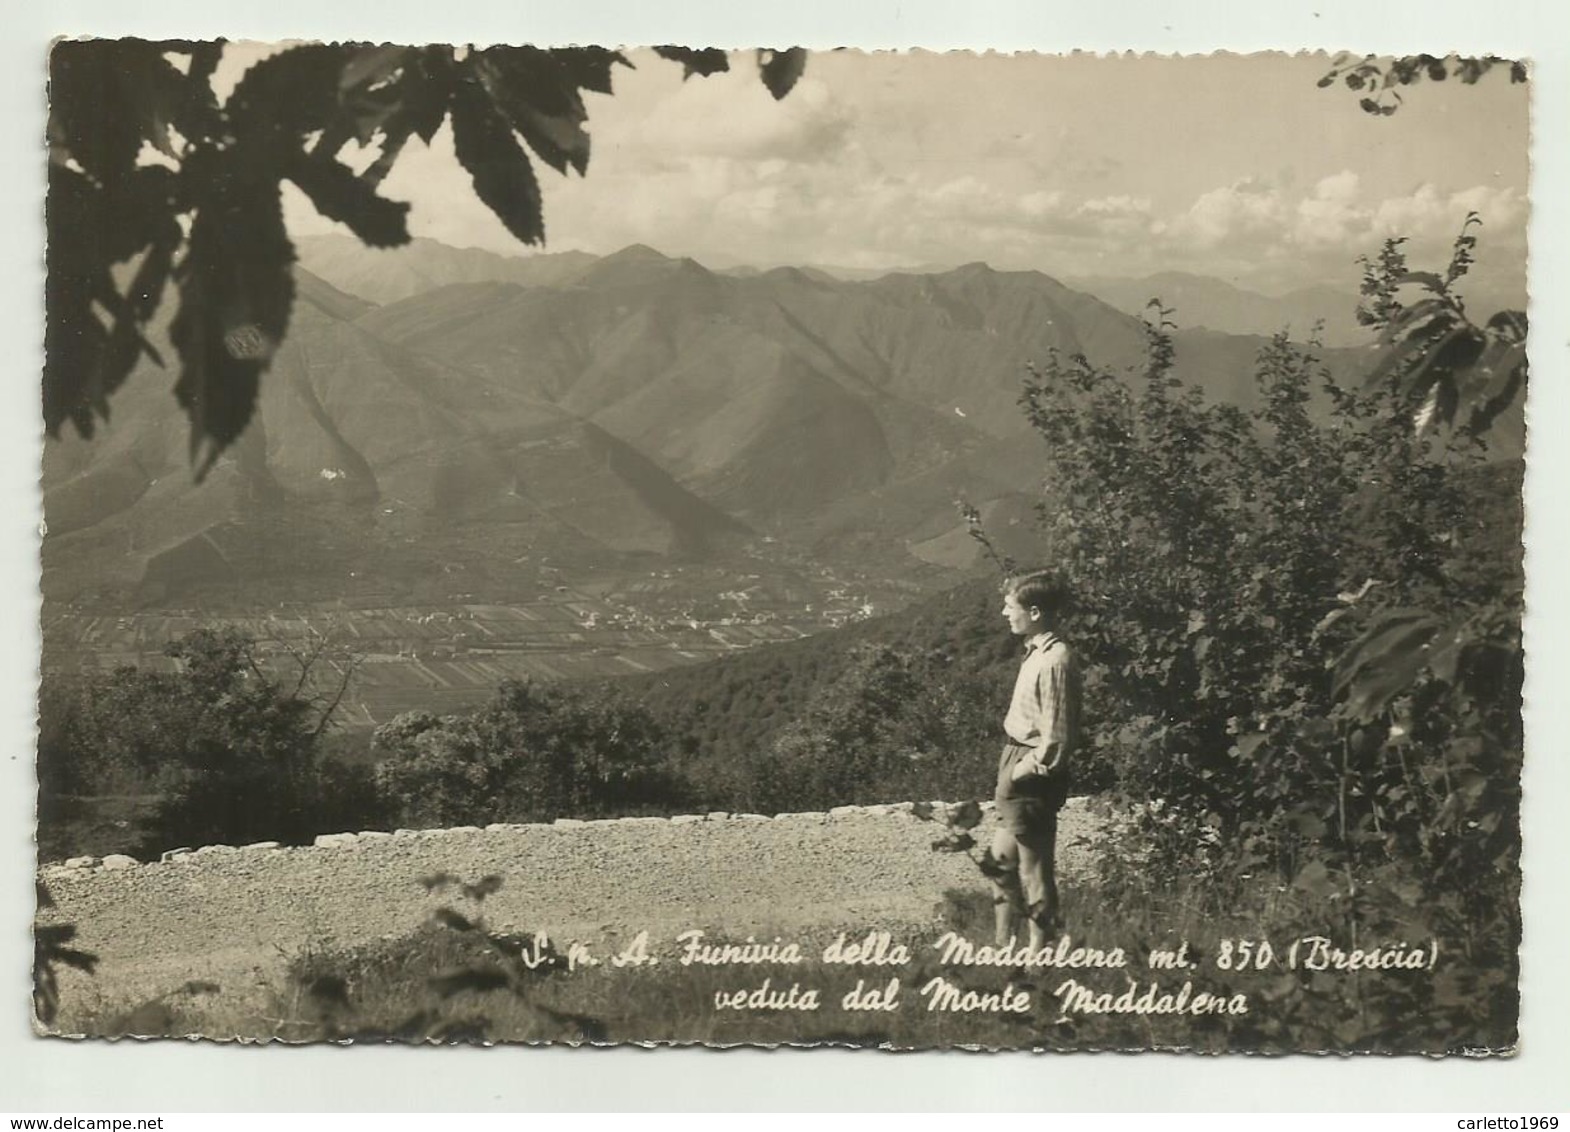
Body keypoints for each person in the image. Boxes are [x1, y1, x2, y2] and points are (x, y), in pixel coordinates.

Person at [985, 569, 1081, 949]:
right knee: (998, 862)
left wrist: (1019, 773)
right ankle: (1001, 945)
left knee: (1034, 873)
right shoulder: (1037, 653)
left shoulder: (1054, 661)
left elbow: (1056, 740)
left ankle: (1041, 959)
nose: (1005, 613)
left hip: (1030, 772)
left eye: (1011, 607)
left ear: (1035, 612)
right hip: (1016, 760)